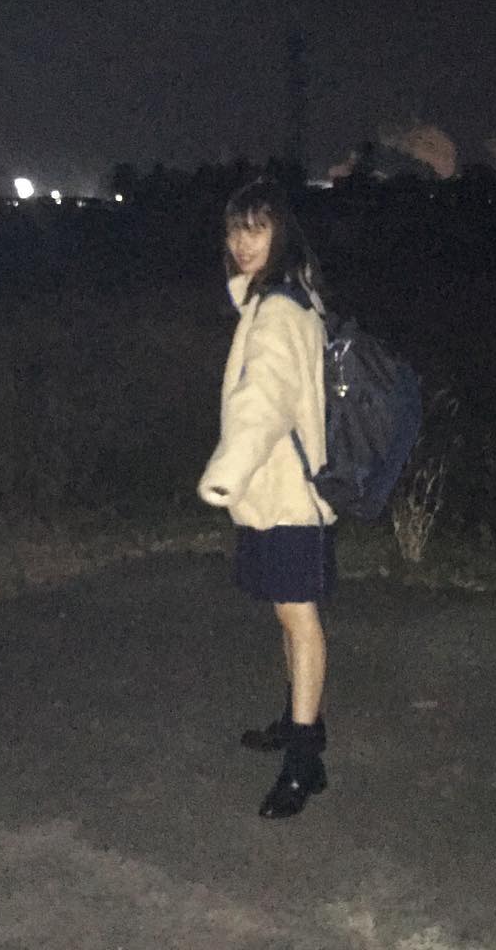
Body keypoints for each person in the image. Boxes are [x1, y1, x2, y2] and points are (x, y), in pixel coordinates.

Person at [197, 178, 336, 819]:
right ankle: (297, 720)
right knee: (288, 613)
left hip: (287, 493)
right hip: (275, 488)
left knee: (298, 618)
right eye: (235, 229)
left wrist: (224, 474)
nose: (243, 242)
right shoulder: (279, 298)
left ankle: (305, 763)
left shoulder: (278, 309)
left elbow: (264, 404)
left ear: (281, 233)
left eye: (257, 228)